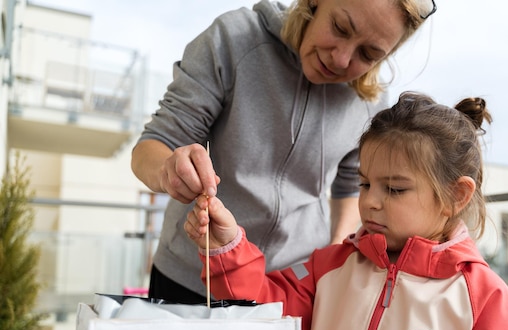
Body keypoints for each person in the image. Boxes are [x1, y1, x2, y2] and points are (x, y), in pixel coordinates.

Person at [185, 92, 508, 330]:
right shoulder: (330, 265)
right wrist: (227, 245)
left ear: (456, 196)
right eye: (364, 183)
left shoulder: (484, 296)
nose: (370, 201)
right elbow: (263, 307)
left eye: (393, 189)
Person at [131, 0, 436, 304]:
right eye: (340, 28)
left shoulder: (369, 105)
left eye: (368, 54)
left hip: (290, 291)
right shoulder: (234, 39)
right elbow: (153, 145)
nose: (342, 59)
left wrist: (332, 260)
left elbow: (350, 189)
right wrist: (168, 170)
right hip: (192, 278)